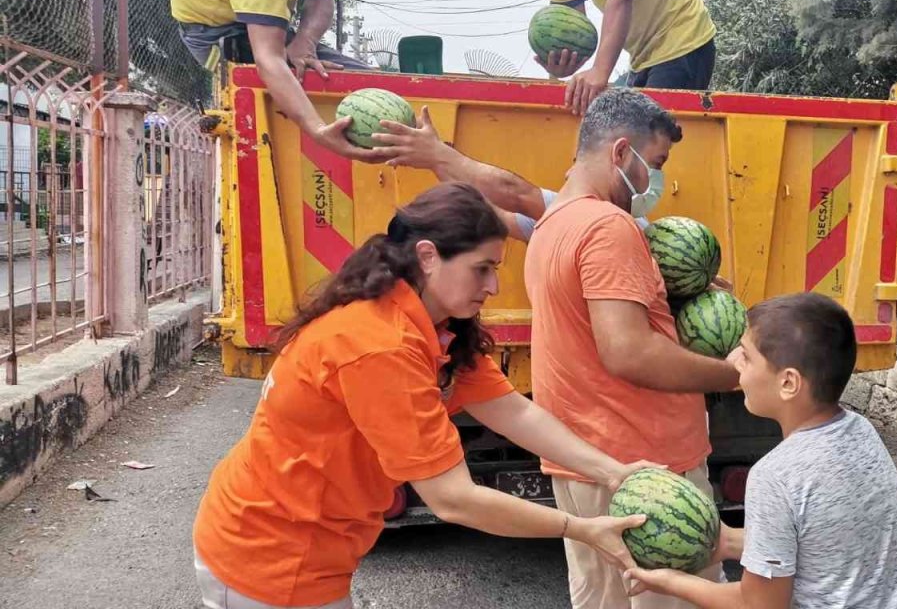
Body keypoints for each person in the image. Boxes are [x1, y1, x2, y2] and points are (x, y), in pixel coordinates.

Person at [192, 183, 653, 609]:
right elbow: (452, 499)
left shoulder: (429, 327)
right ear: (428, 256)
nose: (493, 286)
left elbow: (515, 413)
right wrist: (581, 529)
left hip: (304, 548)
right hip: (270, 560)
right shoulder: (380, 346)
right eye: (482, 269)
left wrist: (613, 473)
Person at [524, 88, 741, 609]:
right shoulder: (606, 226)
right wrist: (734, 374)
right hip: (643, 470)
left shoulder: (556, 222)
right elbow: (629, 352)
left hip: (589, 462)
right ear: (622, 153)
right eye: (656, 163)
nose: (655, 181)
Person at [624, 293, 897, 609]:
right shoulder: (860, 429)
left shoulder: (774, 477)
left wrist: (668, 581)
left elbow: (757, 605)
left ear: (788, 383)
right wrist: (729, 542)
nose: (733, 360)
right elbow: (825, 543)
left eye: (746, 355)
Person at [170, 0, 381, 163]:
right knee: (292, 94)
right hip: (216, 30)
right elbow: (268, 58)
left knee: (379, 85)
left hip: (260, 18)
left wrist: (305, 42)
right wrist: (318, 130)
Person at [369, 107, 657, 242]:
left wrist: (439, 156)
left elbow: (516, 194)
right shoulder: (578, 216)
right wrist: (436, 162)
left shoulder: (625, 225)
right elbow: (499, 214)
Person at [540, 0, 718, 114]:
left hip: (683, 40)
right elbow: (571, 28)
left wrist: (600, 70)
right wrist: (564, 61)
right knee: (628, 140)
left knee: (645, 141)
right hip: (641, 58)